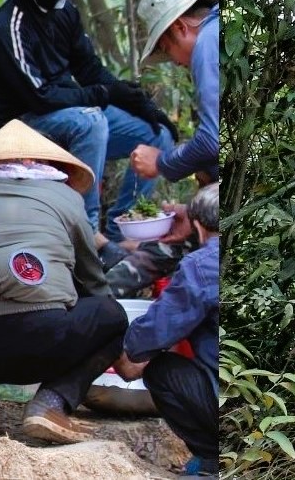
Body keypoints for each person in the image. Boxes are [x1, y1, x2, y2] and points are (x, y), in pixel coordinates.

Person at [0, 121, 128, 443]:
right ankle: (50, 403)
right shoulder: (63, 195)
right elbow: (92, 280)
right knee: (111, 315)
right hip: (38, 339)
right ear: (45, 165)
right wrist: (120, 347)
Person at [0, 0, 179, 238]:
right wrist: (102, 94)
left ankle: (121, 234)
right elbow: (40, 97)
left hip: (67, 115)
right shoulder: (7, 28)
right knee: (91, 121)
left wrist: (137, 103)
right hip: (20, 126)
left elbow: (89, 70)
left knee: (156, 137)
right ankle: (85, 231)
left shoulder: (67, 14)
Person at [115, 183, 220, 476]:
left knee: (162, 370)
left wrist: (125, 348)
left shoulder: (201, 265)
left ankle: (213, 457)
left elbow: (153, 332)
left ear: (197, 227)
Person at [131, 0, 220, 188]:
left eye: (166, 50)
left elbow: (212, 141)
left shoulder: (206, 43)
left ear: (180, 28)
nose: (176, 63)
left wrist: (160, 162)